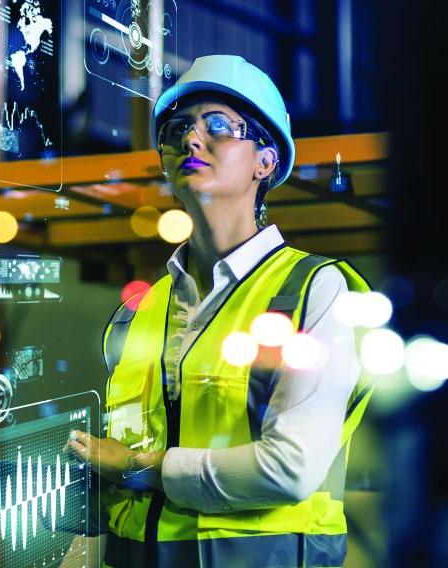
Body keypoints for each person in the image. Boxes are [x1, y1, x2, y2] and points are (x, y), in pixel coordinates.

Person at [66, 55, 373, 567]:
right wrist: (21, 485)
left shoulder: (314, 291)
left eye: (217, 127)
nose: (190, 139)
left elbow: (290, 468)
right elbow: (123, 483)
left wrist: (142, 467)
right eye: (177, 129)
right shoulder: (141, 309)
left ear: (265, 161)